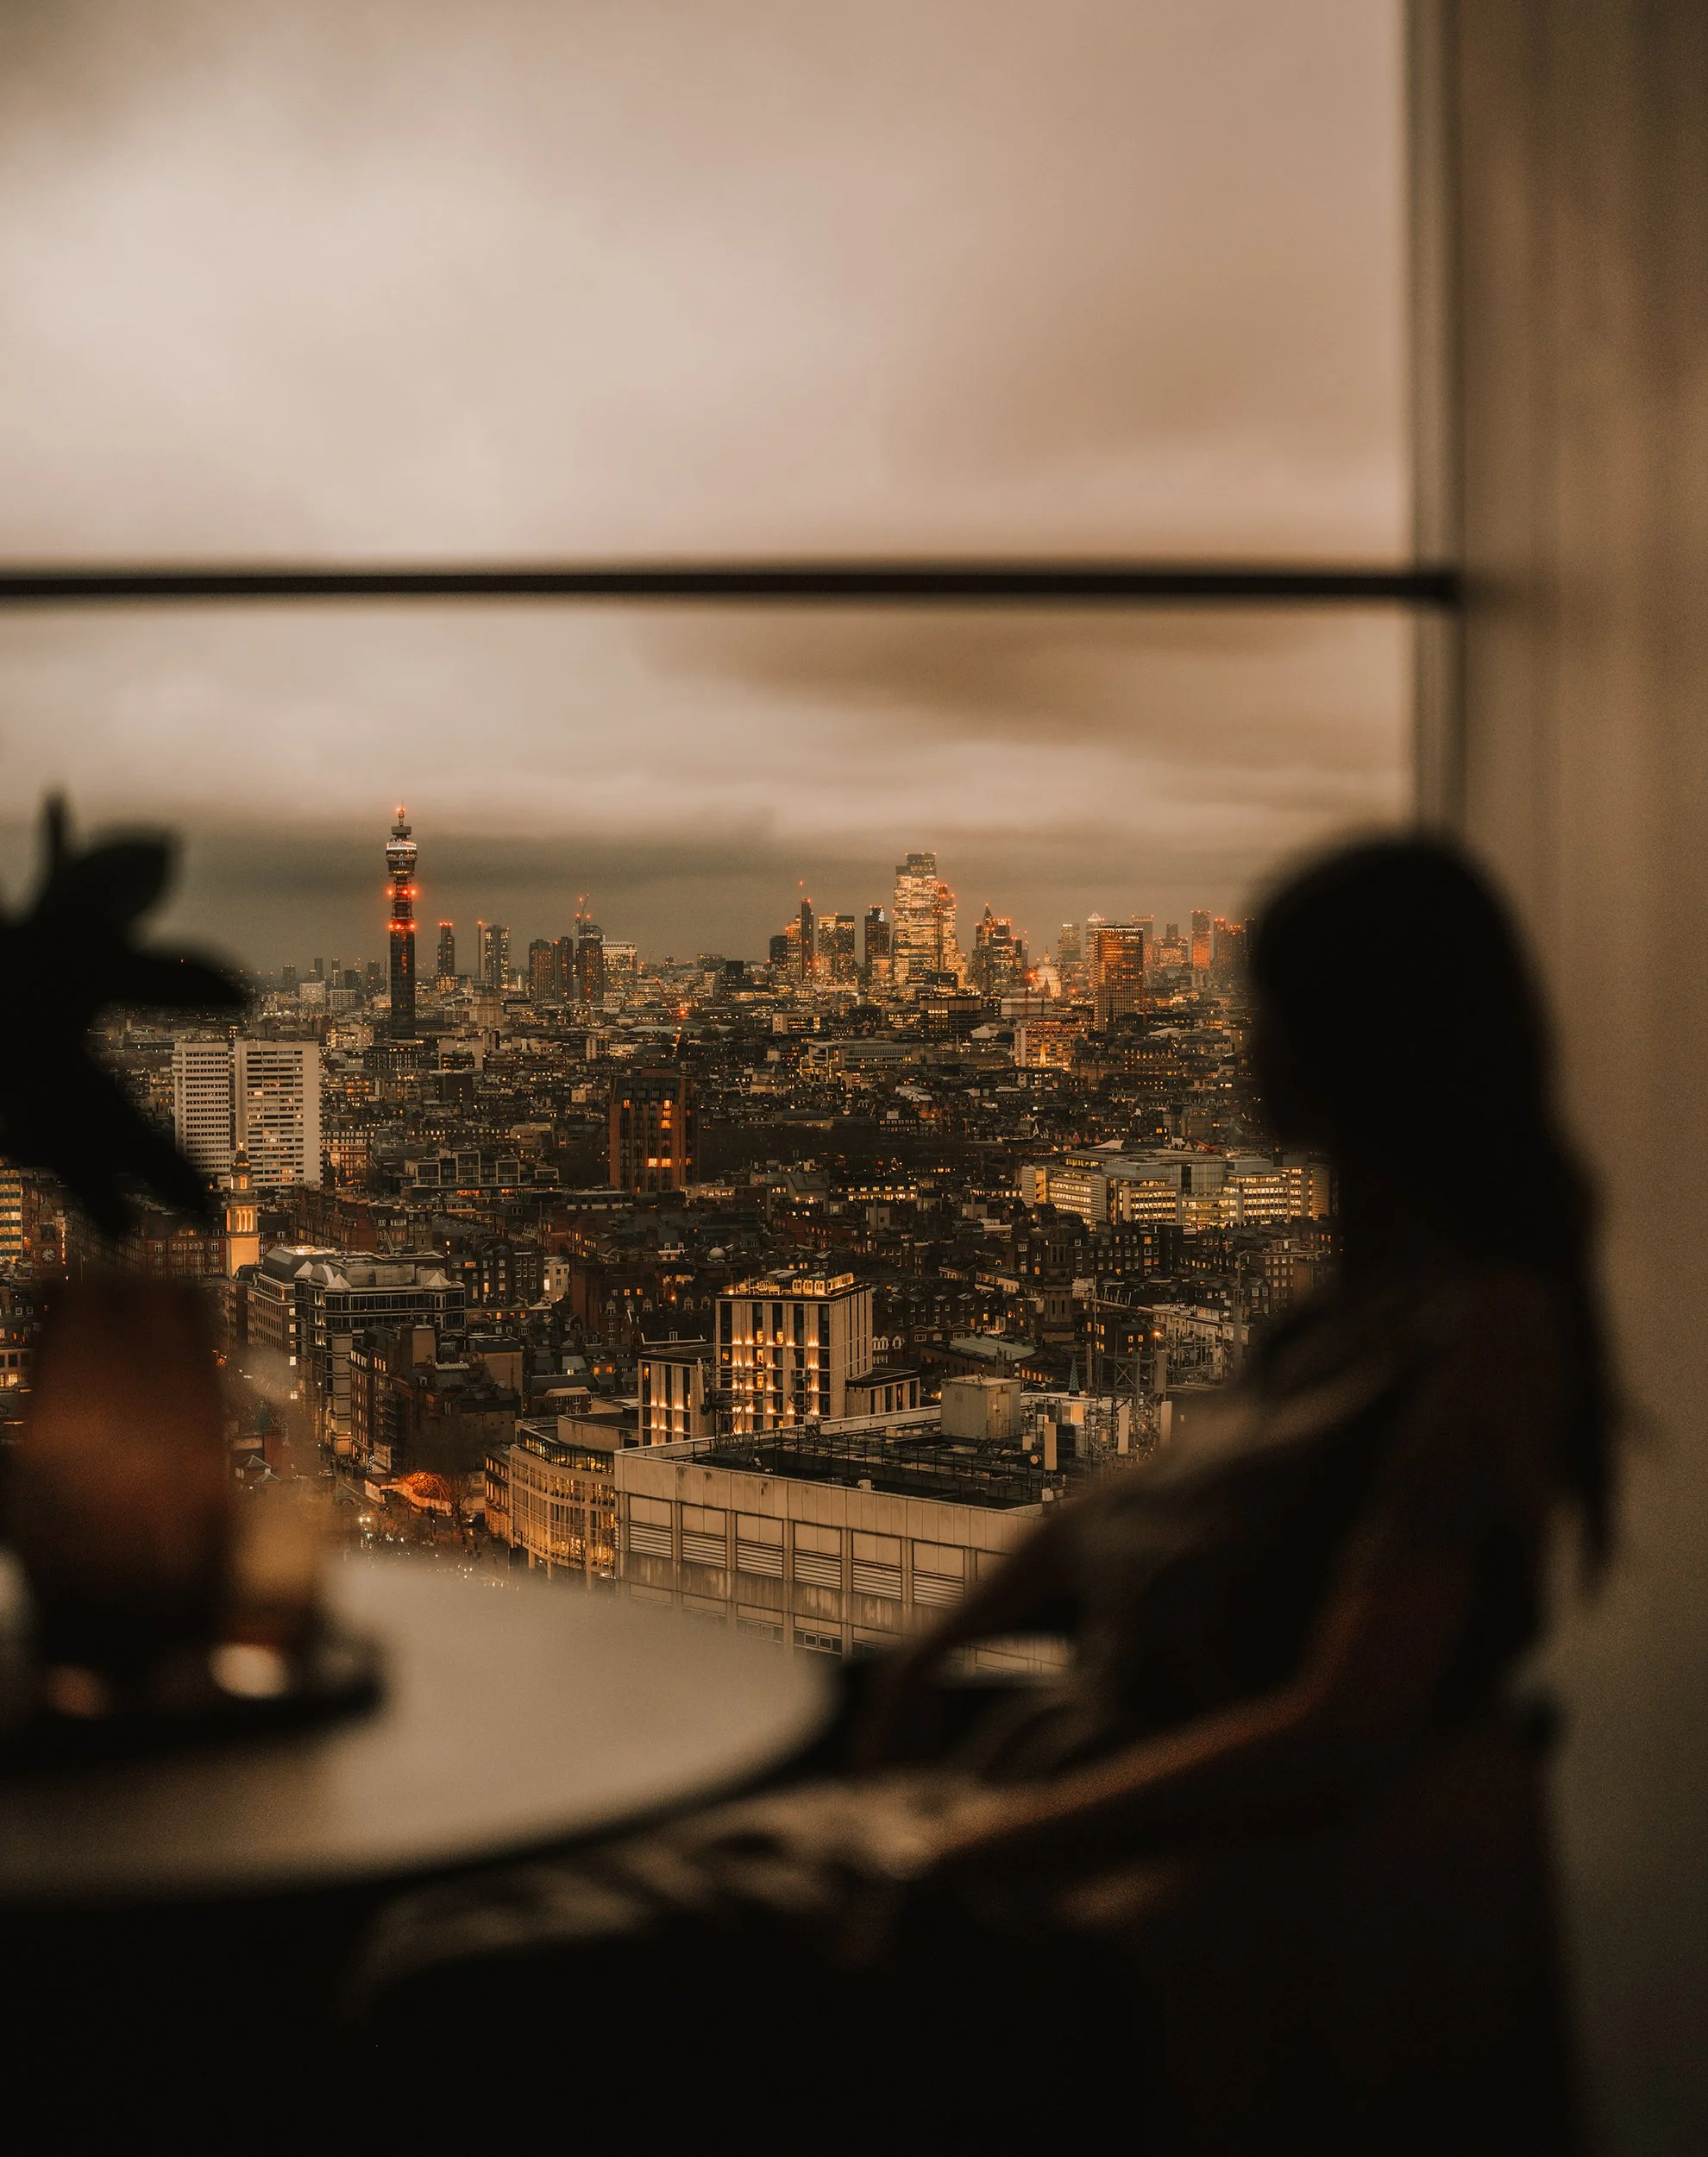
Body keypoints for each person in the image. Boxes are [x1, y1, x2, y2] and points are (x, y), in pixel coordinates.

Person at [353, 839, 1608, 2154]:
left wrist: (980, 1853)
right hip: (1047, 1808)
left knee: (449, 1982)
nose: (1251, 1051)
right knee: (448, 1943)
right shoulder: (1337, 1319)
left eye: (1277, 1014)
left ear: (1373, 1047)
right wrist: (936, 1646)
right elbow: (1110, 1517)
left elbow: (1344, 1724)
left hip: (1137, 1906)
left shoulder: (1481, 1343)